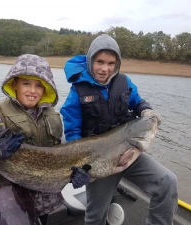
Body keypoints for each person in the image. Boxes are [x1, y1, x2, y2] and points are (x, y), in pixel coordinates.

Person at [60, 34, 178, 225]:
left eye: (110, 63)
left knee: (167, 181)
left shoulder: (124, 82)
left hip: (129, 153)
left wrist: (146, 110)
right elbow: (73, 135)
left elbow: (137, 101)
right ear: (91, 60)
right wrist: (80, 167)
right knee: (95, 216)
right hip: (99, 164)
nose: (105, 69)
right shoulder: (77, 93)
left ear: (117, 64)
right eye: (99, 62)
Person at [0, 54, 80, 225]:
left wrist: (74, 174)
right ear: (15, 84)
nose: (33, 91)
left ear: (46, 89)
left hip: (46, 202)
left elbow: (61, 155)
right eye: (27, 83)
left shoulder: (53, 116)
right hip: (12, 201)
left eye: (39, 86)